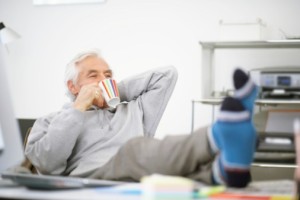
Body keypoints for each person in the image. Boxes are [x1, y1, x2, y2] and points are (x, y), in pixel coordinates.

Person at [25, 49, 258, 188]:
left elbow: (167, 75)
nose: (102, 79)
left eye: (108, 75)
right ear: (72, 86)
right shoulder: (50, 121)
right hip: (94, 177)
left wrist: (113, 92)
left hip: (142, 169)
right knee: (135, 150)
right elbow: (48, 164)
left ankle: (224, 172)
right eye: (92, 75)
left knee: (161, 159)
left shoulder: (133, 110)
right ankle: (222, 132)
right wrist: (78, 107)